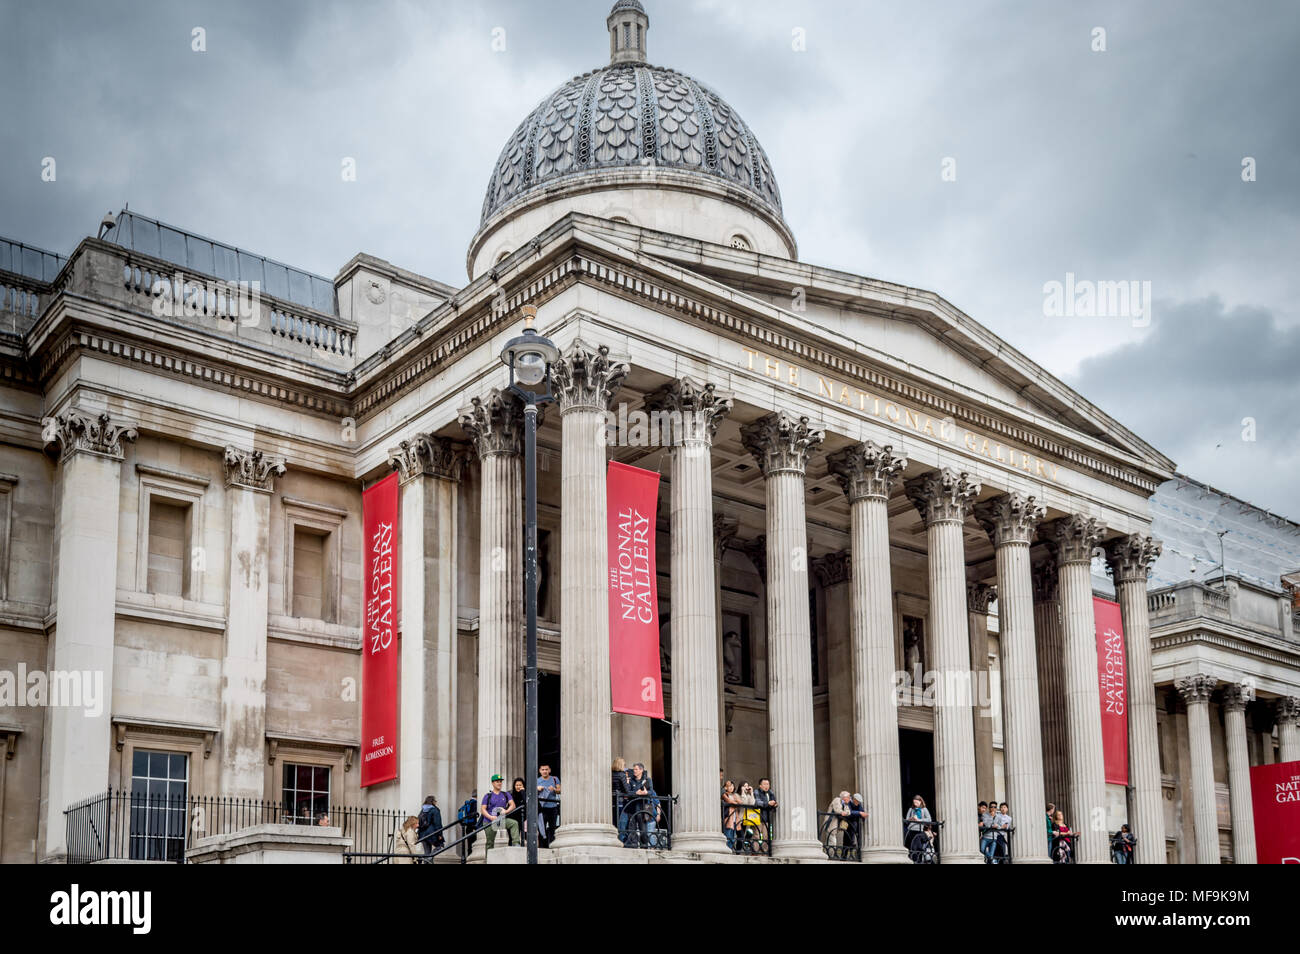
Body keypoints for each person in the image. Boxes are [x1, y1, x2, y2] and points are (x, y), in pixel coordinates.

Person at [480, 774, 520, 850]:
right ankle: (488, 860)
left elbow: (513, 805)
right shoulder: (488, 796)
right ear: (493, 783)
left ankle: (516, 844)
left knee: (514, 823)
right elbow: (482, 809)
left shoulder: (506, 794)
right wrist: (490, 817)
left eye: (500, 782)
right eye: (497, 782)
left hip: (501, 820)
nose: (499, 783)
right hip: (489, 821)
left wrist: (506, 811)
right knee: (490, 842)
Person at [624, 762, 658, 847]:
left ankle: (644, 846)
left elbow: (651, 792)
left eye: (636, 769)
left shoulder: (647, 780)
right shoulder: (631, 780)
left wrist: (646, 792)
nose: (634, 771)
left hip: (643, 808)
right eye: (634, 769)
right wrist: (637, 792)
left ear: (641, 770)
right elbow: (628, 792)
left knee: (643, 829)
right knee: (632, 828)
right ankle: (633, 845)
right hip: (632, 807)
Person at [536, 764, 561, 848]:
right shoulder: (537, 780)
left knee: (552, 828)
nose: (545, 771)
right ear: (540, 771)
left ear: (549, 770)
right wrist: (537, 789)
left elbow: (559, 791)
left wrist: (554, 789)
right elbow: (531, 793)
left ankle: (553, 846)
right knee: (541, 828)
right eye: (542, 769)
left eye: (546, 769)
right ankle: (543, 847)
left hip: (553, 807)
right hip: (542, 808)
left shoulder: (555, 779)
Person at [824, 790, 851, 856]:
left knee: (830, 841)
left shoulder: (845, 804)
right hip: (830, 824)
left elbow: (848, 812)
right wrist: (843, 812)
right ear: (844, 797)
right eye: (849, 797)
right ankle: (830, 856)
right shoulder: (837, 800)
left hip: (835, 825)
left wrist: (845, 812)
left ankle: (827, 855)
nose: (850, 799)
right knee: (832, 841)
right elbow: (837, 810)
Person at [612, 757, 631, 842]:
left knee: (614, 824)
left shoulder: (610, 774)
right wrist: (627, 782)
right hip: (620, 803)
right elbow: (627, 790)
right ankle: (620, 841)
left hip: (611, 802)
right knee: (622, 824)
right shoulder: (622, 775)